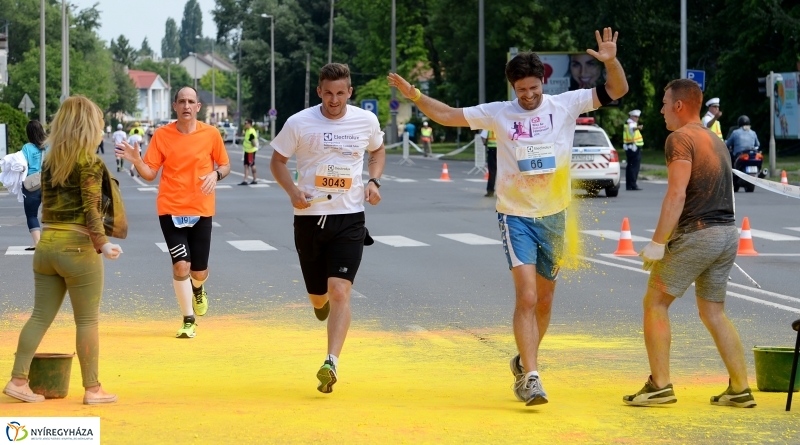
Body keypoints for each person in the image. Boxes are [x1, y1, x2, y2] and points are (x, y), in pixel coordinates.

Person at [388, 27, 628, 406]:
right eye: (522, 90)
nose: (529, 96)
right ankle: (531, 377)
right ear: (512, 88)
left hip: (554, 215)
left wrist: (610, 61)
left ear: (542, 83)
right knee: (528, 296)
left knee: (546, 301)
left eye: (534, 88)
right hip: (515, 216)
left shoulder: (565, 105)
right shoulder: (498, 113)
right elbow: (449, 116)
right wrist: (415, 95)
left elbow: (616, 91)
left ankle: (523, 358)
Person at [623, 79, 755, 408]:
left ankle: (660, 386)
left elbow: (677, 193)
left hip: (699, 233)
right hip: (727, 234)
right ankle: (740, 389)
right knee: (713, 312)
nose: (662, 109)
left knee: (655, 303)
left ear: (679, 106)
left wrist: (658, 242)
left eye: (665, 103)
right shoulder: (714, 139)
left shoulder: (679, 138)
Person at [270, 63, 385, 394]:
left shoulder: (365, 120)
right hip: (308, 218)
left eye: (341, 93)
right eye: (328, 93)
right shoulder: (299, 122)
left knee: (339, 291)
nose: (334, 100)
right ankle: (320, 306)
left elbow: (377, 150)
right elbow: (277, 161)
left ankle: (330, 361)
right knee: (320, 297)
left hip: (350, 217)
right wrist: (293, 191)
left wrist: (374, 181)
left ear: (350, 92)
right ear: (319, 92)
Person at [3, 95, 122, 405]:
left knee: (39, 316)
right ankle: (93, 389)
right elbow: (91, 210)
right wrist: (104, 243)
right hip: (77, 248)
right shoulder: (90, 162)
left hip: (46, 246)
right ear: (89, 126)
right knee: (87, 321)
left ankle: (18, 380)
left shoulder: (50, 160)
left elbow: (40, 199)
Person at [115, 86, 231, 339]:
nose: (186, 106)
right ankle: (188, 319)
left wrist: (215, 174)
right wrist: (136, 162)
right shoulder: (162, 135)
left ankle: (198, 288)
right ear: (175, 106)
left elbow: (225, 164)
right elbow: (149, 174)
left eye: (191, 102)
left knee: (198, 272)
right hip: (170, 209)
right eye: (182, 101)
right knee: (181, 266)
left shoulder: (211, 134)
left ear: (198, 107)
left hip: (201, 209)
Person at [20, 120, 47, 250]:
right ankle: (53, 241)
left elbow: (22, 166)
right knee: (52, 213)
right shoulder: (50, 145)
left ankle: (37, 243)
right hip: (49, 182)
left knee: (31, 214)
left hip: (32, 184)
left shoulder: (26, 148)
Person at [623, 109, 644, 191]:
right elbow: (633, 128)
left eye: (637, 117)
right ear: (631, 116)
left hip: (630, 147)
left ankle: (629, 185)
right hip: (633, 148)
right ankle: (633, 184)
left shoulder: (627, 123)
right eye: (635, 116)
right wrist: (638, 127)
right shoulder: (631, 123)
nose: (637, 118)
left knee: (630, 166)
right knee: (634, 167)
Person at [239, 119, 259, 185]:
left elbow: (253, 142)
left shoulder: (251, 132)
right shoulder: (247, 131)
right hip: (247, 150)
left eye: (246, 123)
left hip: (250, 151)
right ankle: (246, 180)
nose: (244, 124)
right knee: (246, 165)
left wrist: (254, 144)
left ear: (249, 124)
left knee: (251, 165)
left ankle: (254, 179)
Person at [480, 129, 497, 197]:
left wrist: (485, 143)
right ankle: (503, 192)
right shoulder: (502, 123)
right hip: (502, 150)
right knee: (503, 172)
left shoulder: (488, 125)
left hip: (492, 150)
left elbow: (483, 137)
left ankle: (490, 191)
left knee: (492, 171)